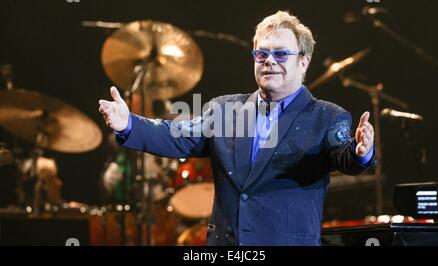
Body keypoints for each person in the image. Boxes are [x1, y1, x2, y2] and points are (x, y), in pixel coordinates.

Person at [99, 11, 375, 246]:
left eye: (280, 54)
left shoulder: (326, 116)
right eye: (261, 53)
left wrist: (360, 151)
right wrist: (129, 124)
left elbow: (344, 155)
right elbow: (177, 136)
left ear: (303, 61)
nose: (269, 60)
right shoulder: (225, 109)